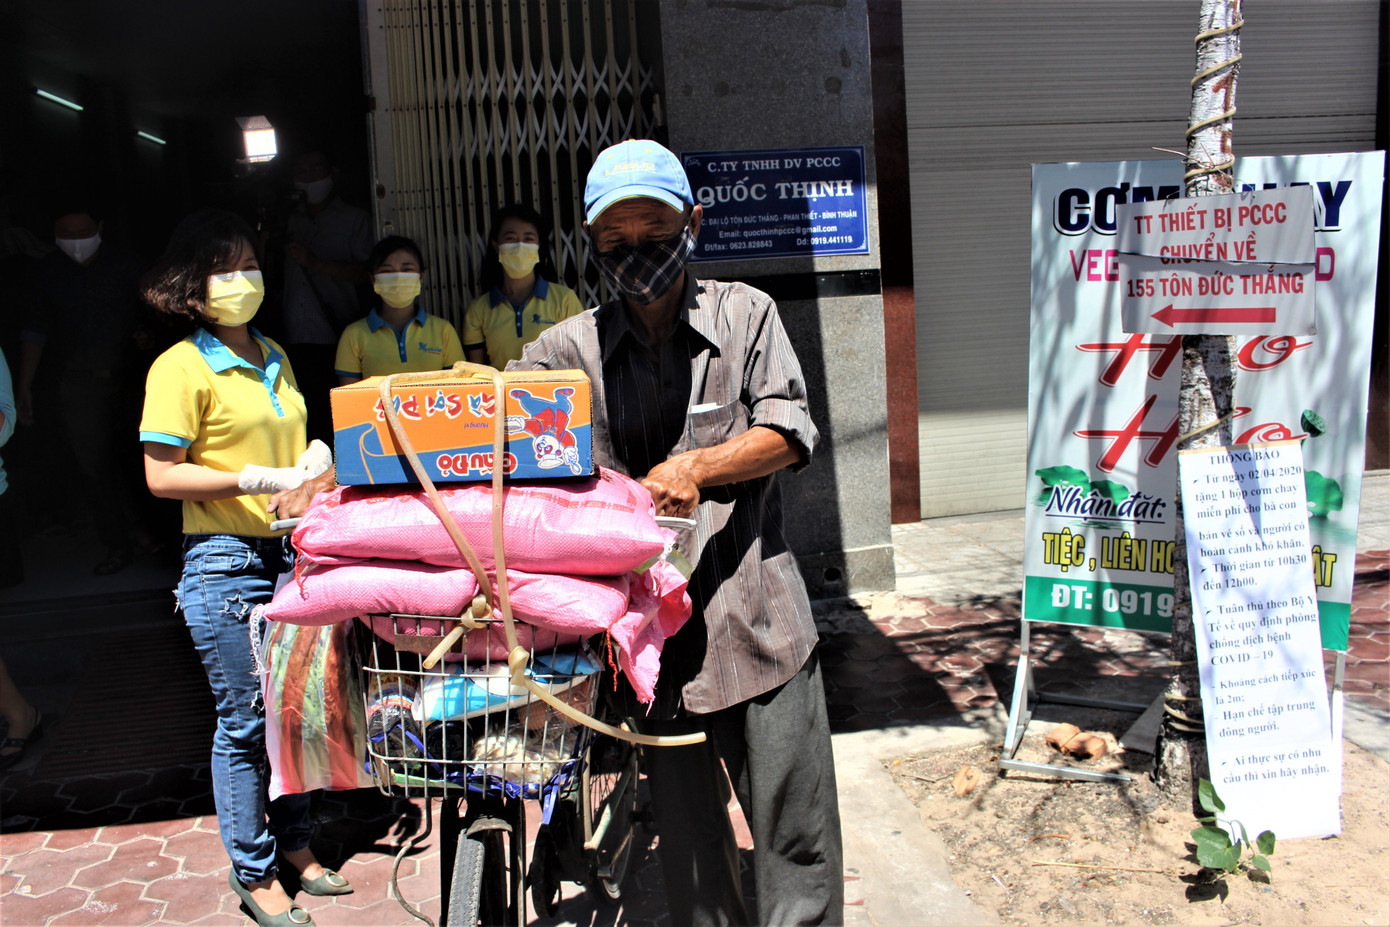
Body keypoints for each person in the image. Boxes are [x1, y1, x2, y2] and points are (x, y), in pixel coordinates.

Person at [510, 140, 843, 926]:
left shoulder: (745, 315)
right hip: (653, 649)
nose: (638, 254)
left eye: (655, 233)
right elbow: (491, 424)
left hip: (760, 622)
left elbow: (791, 431)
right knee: (695, 862)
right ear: (590, 245)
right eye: (616, 241)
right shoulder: (566, 352)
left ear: (692, 223)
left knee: (796, 845)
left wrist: (698, 464)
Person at [139, 209, 347, 927]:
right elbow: (161, 476)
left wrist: (315, 460)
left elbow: (298, 439)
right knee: (245, 720)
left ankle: (297, 845)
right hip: (225, 563)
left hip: (292, 553)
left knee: (295, 711)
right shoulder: (180, 366)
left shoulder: (275, 355)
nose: (243, 279)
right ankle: (254, 871)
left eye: (250, 264)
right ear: (192, 290)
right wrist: (254, 479)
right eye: (224, 270)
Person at [16, 205, 150, 573]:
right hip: (78, 383)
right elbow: (34, 332)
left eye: (83, 232)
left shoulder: (128, 268)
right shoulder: (46, 274)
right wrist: (23, 387)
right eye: (67, 234)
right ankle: (116, 543)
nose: (76, 242)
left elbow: (155, 316)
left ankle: (155, 535)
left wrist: (148, 337)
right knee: (94, 467)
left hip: (134, 379)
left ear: (100, 228)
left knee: (147, 459)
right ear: (54, 235)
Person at [281, 149, 372, 442]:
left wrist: (315, 262)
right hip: (290, 339)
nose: (308, 177)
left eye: (315, 168)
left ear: (333, 173)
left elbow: (366, 273)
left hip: (335, 334)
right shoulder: (285, 221)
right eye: (300, 170)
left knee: (338, 417)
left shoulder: (354, 219)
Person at [462, 202, 584, 368]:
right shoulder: (478, 310)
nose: (519, 245)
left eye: (528, 239)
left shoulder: (565, 300)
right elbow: (478, 373)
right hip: (501, 393)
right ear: (496, 245)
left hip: (553, 393)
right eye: (510, 238)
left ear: (538, 245)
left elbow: (579, 360)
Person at [334, 235, 463, 384]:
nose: (397, 278)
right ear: (373, 279)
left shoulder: (444, 330)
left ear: (421, 276)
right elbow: (349, 399)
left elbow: (458, 389)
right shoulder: (353, 335)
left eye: (407, 269)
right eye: (387, 271)